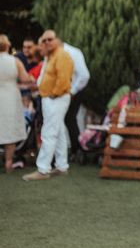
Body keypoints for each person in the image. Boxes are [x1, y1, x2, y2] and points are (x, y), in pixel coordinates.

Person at [22, 30, 74, 181]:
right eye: (44, 40)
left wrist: (54, 94)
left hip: (55, 98)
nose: (46, 43)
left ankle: (43, 169)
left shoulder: (61, 55)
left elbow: (63, 79)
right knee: (59, 131)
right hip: (51, 98)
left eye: (49, 39)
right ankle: (62, 166)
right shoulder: (50, 56)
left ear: (57, 39)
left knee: (49, 132)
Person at [0, 35, 35, 172]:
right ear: (8, 46)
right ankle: (9, 162)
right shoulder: (15, 61)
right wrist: (32, 78)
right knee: (9, 127)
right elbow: (25, 79)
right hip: (10, 97)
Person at [62, 40, 90, 159]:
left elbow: (84, 76)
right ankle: (75, 149)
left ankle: (77, 150)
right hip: (66, 91)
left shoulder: (73, 52)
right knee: (68, 120)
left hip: (76, 90)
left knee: (70, 119)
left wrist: (72, 92)